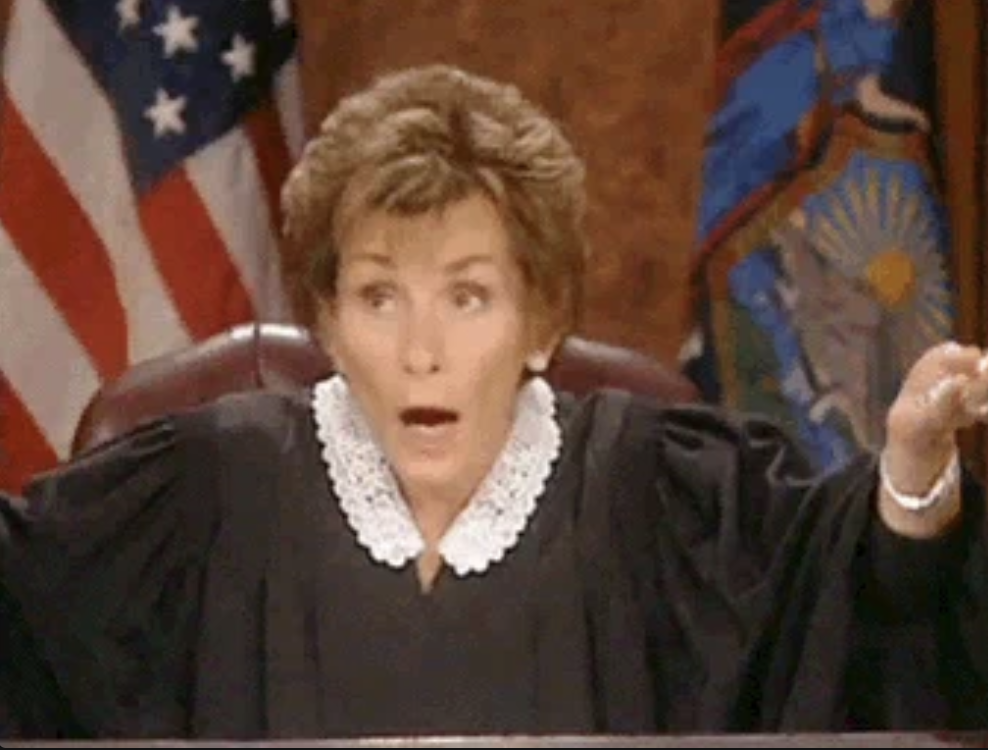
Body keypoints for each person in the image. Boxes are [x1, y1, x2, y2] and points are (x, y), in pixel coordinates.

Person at [2, 64, 988, 741]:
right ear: (327, 323)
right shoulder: (202, 489)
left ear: (541, 322)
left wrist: (909, 473)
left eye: (468, 296)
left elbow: (855, 598)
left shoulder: (664, 495)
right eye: (378, 296)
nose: (422, 352)